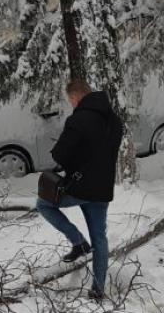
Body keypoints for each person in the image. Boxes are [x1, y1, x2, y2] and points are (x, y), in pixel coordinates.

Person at [37, 78, 124, 300]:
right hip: (103, 190)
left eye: (70, 100)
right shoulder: (114, 121)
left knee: (43, 204)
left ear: (76, 96)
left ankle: (78, 241)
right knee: (100, 238)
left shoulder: (78, 120)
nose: (71, 104)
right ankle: (98, 290)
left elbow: (60, 155)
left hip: (79, 188)